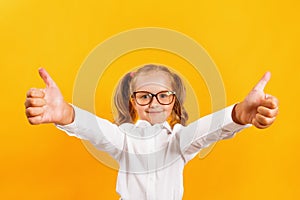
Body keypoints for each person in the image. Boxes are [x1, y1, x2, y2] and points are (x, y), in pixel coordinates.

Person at [25, 64, 279, 200]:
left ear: (173, 101)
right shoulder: (124, 139)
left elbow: (207, 131)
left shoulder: (179, 140)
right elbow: (98, 131)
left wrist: (237, 114)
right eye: (145, 96)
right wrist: (67, 113)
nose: (154, 102)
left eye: (163, 95)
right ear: (133, 101)